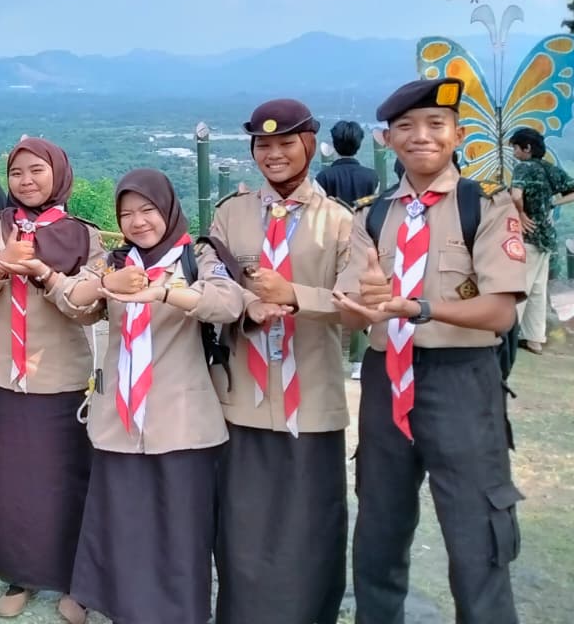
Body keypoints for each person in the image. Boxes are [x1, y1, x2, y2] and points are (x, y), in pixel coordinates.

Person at [333, 77, 527, 624]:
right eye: (406, 127)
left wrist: (419, 308)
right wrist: (363, 305)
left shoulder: (486, 205)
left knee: (477, 532)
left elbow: (500, 312)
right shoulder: (371, 214)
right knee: (379, 525)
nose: (421, 136)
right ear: (387, 139)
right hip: (385, 378)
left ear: (458, 135)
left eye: (435, 125)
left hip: (459, 378)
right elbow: (350, 309)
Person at [54, 169, 243, 624]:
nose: (138, 222)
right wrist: (106, 286)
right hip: (120, 415)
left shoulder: (198, 256)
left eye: (148, 210)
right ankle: (114, 601)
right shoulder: (116, 262)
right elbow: (71, 300)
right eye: (127, 214)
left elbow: (228, 302)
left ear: (169, 209)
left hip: (180, 416)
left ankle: (177, 610)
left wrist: (164, 292)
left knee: (179, 521)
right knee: (119, 513)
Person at [208, 100, 353, 624]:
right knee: (241, 523)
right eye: (263, 145)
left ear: (309, 145)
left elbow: (356, 304)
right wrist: (248, 303)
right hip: (244, 396)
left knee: (310, 522)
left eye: (286, 143)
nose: (274, 154)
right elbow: (212, 277)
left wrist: (294, 295)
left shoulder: (340, 221)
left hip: (311, 396)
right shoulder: (231, 214)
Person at [0, 138, 102, 624]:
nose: (26, 181)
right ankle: (18, 572)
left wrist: (43, 273)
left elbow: (89, 309)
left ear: (58, 174)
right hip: (0, 374)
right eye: (17, 172)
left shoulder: (83, 235)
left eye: (37, 170)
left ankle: (74, 578)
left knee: (65, 479)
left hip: (60, 377)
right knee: (8, 478)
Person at [507, 126, 574, 355]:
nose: (515, 152)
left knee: (519, 287)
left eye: (516, 148)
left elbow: (516, 195)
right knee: (537, 290)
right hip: (546, 236)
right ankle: (534, 339)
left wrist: (521, 214)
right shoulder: (550, 169)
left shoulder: (523, 168)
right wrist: (553, 204)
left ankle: (508, 337)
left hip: (527, 236)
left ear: (527, 148)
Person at [316, 119, 379, 206]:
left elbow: (316, 208)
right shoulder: (373, 177)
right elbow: (374, 207)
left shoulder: (323, 178)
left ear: (334, 144)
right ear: (358, 145)